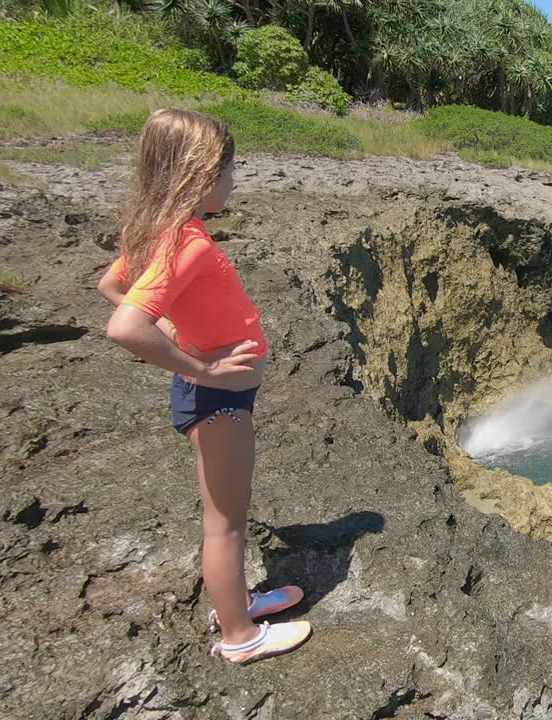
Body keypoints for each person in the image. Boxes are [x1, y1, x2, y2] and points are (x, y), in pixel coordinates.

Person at [98, 109, 311, 665]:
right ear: (198, 173)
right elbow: (124, 324)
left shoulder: (164, 233)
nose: (233, 179)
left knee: (228, 517)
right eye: (228, 168)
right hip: (218, 402)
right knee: (225, 524)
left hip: (220, 398)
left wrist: (175, 329)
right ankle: (241, 636)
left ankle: (239, 600)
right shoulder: (185, 242)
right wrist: (203, 369)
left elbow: (112, 284)